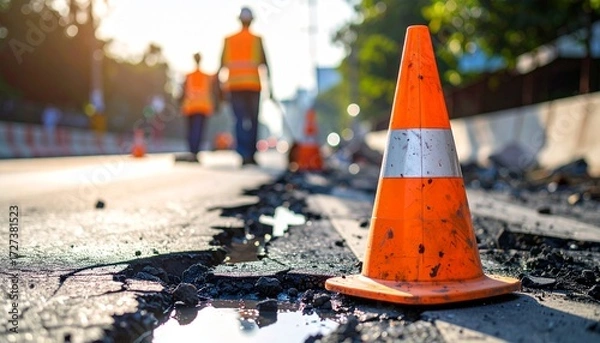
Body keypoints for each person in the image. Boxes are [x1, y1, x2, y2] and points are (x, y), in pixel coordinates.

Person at [219, 6, 273, 166]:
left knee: (239, 120)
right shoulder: (257, 40)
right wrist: (271, 88)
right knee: (253, 120)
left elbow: (221, 65)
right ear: (252, 21)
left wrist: (219, 89)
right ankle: (250, 154)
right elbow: (266, 64)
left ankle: (243, 153)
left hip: (234, 86)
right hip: (253, 86)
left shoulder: (229, 40)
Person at [181, 52, 216, 162]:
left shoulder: (188, 76)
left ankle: (192, 151)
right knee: (198, 131)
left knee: (191, 130)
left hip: (191, 107)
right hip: (201, 107)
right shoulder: (206, 76)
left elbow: (182, 92)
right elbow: (213, 91)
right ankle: (195, 152)